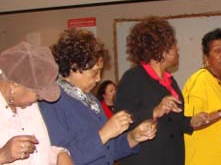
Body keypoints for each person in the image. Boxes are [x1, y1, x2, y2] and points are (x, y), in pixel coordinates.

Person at [39, 29, 157, 165]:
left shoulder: (90, 100)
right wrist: (104, 133)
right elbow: (61, 158)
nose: (98, 79)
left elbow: (108, 151)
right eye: (95, 72)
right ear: (74, 67)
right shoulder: (52, 102)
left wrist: (133, 137)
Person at [114, 16, 209, 165]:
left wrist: (191, 121)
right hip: (145, 159)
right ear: (161, 49)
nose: (177, 48)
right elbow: (120, 120)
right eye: (173, 44)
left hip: (172, 157)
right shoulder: (133, 77)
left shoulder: (170, 81)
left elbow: (172, 121)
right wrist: (154, 111)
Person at [0, 42, 72, 165]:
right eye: (37, 94)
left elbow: (39, 153)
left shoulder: (27, 104)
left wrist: (59, 154)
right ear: (15, 85)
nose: (40, 99)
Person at [182, 28, 221, 165]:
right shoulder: (199, 80)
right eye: (218, 51)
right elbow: (190, 123)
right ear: (206, 57)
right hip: (202, 160)